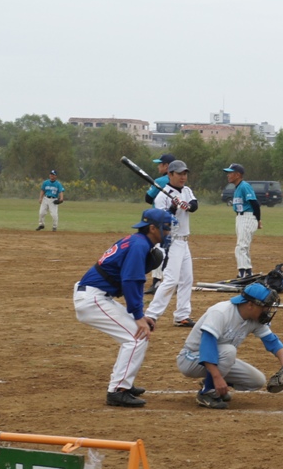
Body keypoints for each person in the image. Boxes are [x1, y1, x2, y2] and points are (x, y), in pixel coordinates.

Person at [73, 208, 175, 407]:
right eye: (166, 228)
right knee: (135, 338)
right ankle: (118, 390)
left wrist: (140, 315)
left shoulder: (136, 241)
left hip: (95, 296)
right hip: (92, 299)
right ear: (152, 228)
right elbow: (130, 281)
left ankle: (124, 383)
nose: (168, 232)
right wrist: (138, 316)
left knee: (137, 335)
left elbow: (131, 281)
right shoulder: (139, 246)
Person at [177, 282, 283, 409]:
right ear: (250, 304)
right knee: (229, 351)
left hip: (219, 358)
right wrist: (216, 377)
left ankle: (211, 382)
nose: (267, 310)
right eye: (265, 306)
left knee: (256, 381)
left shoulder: (255, 319)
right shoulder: (221, 312)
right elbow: (207, 345)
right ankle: (207, 392)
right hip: (191, 358)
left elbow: (272, 341)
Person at [145, 160, 199, 327]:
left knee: (187, 279)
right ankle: (151, 315)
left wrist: (187, 205)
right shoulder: (163, 196)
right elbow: (162, 221)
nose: (183, 177)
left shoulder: (187, 190)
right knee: (171, 280)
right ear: (170, 174)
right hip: (171, 241)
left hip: (184, 240)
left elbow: (194, 206)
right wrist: (174, 208)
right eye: (179, 174)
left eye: (185, 174)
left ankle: (182, 315)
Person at [144, 154, 175, 294]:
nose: (158, 166)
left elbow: (147, 198)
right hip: (175, 220)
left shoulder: (160, 180)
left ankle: (156, 282)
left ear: (167, 166)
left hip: (158, 220)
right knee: (173, 252)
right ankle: (173, 282)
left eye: (160, 164)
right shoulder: (179, 182)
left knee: (158, 250)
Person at [224, 163, 261, 278]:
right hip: (241, 217)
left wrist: (258, 219)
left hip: (247, 217)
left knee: (241, 246)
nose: (228, 175)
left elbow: (255, 203)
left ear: (238, 175)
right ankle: (248, 272)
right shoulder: (238, 187)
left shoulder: (244, 186)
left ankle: (242, 273)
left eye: (230, 173)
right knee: (244, 246)